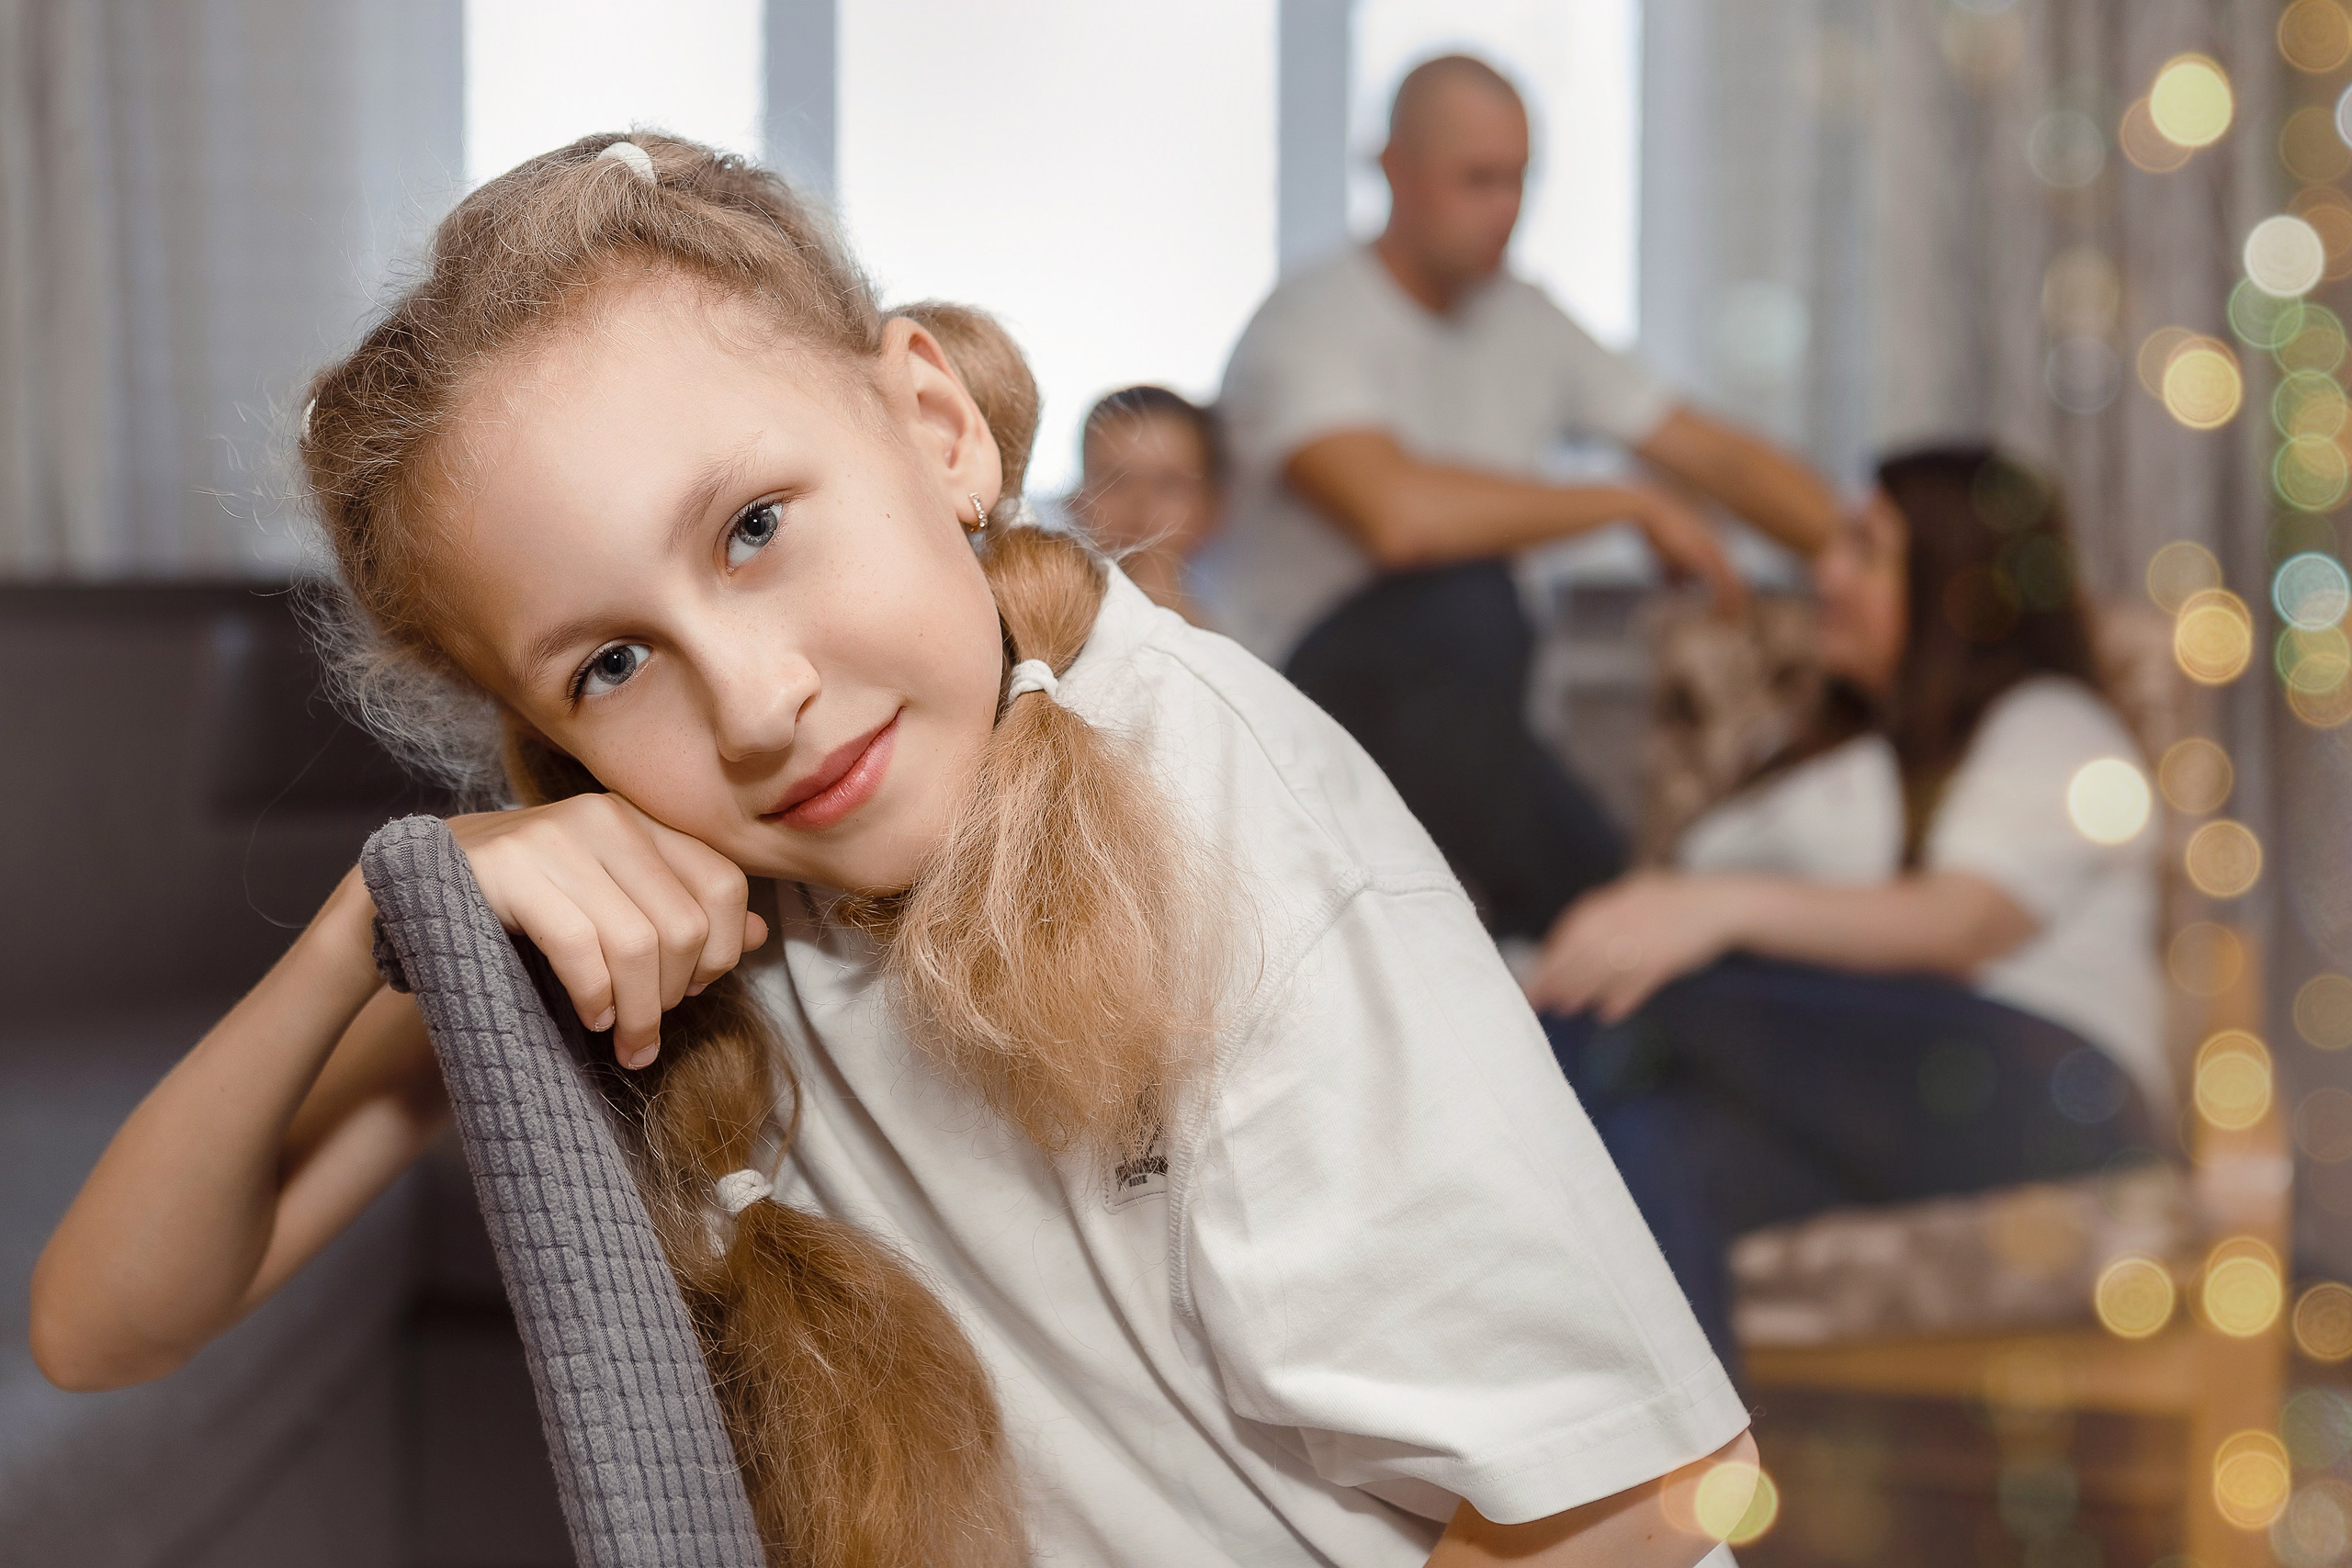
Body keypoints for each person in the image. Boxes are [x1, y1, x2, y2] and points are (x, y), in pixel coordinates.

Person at [31, 136, 1758, 1567]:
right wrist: (375, 918)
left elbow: (1630, 1497)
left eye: (756, 527)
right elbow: (103, 1325)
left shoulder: (1220, 802)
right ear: (553, 730)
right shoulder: (659, 880)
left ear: (934, 426)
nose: (761, 701)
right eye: (612, 662)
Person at [1529, 446, 2165, 1372]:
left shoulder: (2051, 725)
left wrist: (1705, 911)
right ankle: (1693, 1509)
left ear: (1962, 588)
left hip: (2054, 1092)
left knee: (1610, 1014)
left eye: (1863, 552)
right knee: (1656, 1145)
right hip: (1869, 1109)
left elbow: (1960, 925)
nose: (1823, 575)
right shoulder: (1818, 765)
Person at [1208, 53, 1840, 941]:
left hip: (1473, 732)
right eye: (1476, 180)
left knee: (1611, 896)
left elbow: (1712, 456)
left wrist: (1872, 554)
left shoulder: (1529, 319)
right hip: (1310, 720)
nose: (1504, 208)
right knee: (1467, 599)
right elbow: (1401, 519)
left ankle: (1592, 935)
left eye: (1518, 180)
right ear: (1391, 168)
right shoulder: (1306, 325)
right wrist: (1629, 505)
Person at [1069, 383, 1225, 626]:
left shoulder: (1242, 643)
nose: (1141, 503)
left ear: (1212, 506)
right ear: (1076, 501)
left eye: (1168, 484)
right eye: (1114, 482)